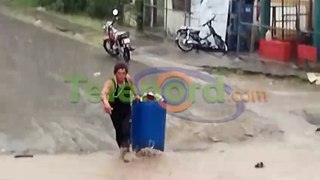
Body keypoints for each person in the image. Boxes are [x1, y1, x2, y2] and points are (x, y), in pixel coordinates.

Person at [100, 63, 140, 158]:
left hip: (126, 109)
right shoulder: (111, 83)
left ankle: (129, 149)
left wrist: (136, 95)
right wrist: (106, 103)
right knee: (119, 132)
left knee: (126, 129)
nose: (121, 76)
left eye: (123, 73)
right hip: (114, 110)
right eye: (119, 73)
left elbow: (132, 86)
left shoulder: (128, 79)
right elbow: (103, 93)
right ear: (115, 73)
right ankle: (123, 152)